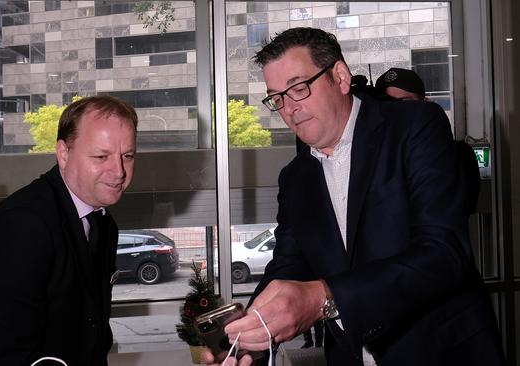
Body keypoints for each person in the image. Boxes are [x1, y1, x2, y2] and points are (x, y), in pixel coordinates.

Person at [203, 27, 504, 366]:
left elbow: (443, 253)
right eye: (277, 98)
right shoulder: (295, 178)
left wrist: (325, 297)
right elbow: (288, 267)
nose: (289, 108)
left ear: (341, 77)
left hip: (442, 353)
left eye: (299, 88)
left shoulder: (415, 126)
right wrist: (251, 333)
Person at [0, 96, 138, 366]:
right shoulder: (22, 226)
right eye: (101, 156)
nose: (119, 171)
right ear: (63, 154)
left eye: (128, 156)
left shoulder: (102, 222)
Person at [375, 67, 481, 214]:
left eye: (404, 103)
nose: (396, 112)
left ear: (425, 104)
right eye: (387, 105)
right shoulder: (372, 156)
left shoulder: (457, 155)